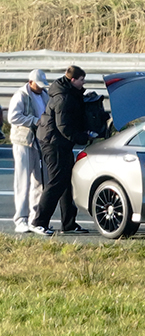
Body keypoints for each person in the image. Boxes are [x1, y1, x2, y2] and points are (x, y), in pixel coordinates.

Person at [30, 66, 91, 236]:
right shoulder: (63, 98)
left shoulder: (70, 93)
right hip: (53, 143)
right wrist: (82, 137)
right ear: (73, 80)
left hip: (61, 143)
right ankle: (39, 222)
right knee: (56, 182)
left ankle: (69, 224)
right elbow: (64, 126)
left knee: (66, 182)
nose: (83, 82)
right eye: (81, 79)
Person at [7, 69, 50, 233]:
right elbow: (13, 117)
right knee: (23, 181)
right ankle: (20, 220)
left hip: (39, 141)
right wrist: (34, 121)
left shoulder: (44, 94)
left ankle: (35, 218)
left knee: (40, 180)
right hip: (23, 142)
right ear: (30, 82)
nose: (40, 88)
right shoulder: (21, 95)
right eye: (38, 85)